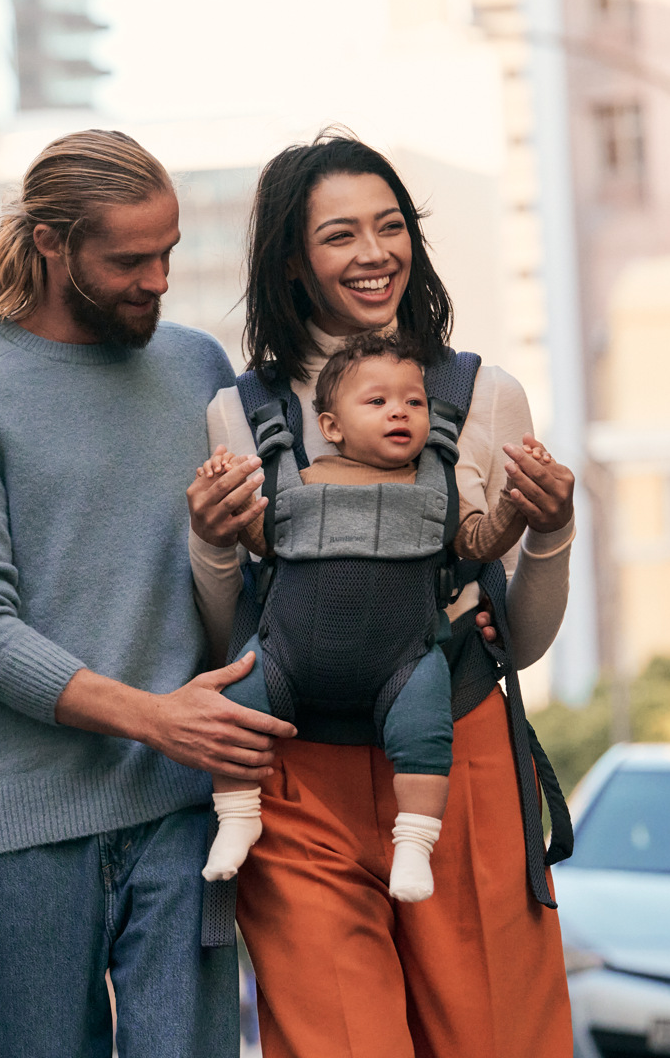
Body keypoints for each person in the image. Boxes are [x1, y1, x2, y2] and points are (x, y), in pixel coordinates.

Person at [185, 130, 577, 1057]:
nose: (373, 254)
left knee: (499, 1039)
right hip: (296, 779)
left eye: (391, 226)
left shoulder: (485, 397)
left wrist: (551, 531)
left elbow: (514, 642)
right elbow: (228, 638)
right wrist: (209, 544)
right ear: (292, 261)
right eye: (339, 235)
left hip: (460, 756)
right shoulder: (238, 414)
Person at [0, 129, 292, 1057]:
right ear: (51, 245)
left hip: (180, 816)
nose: (157, 280)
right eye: (128, 260)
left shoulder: (198, 369)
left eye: (167, 255)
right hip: (25, 835)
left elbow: (250, 574)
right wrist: (154, 718)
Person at [194, 335, 539, 897]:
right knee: (238, 714)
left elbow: (478, 543)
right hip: (285, 658)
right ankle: (237, 817)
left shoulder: (438, 485)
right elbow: (265, 541)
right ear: (330, 427)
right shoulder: (297, 480)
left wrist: (521, 507)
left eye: (414, 402)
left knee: (425, 739)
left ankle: (415, 845)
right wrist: (223, 508)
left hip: (402, 666)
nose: (399, 410)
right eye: (377, 402)